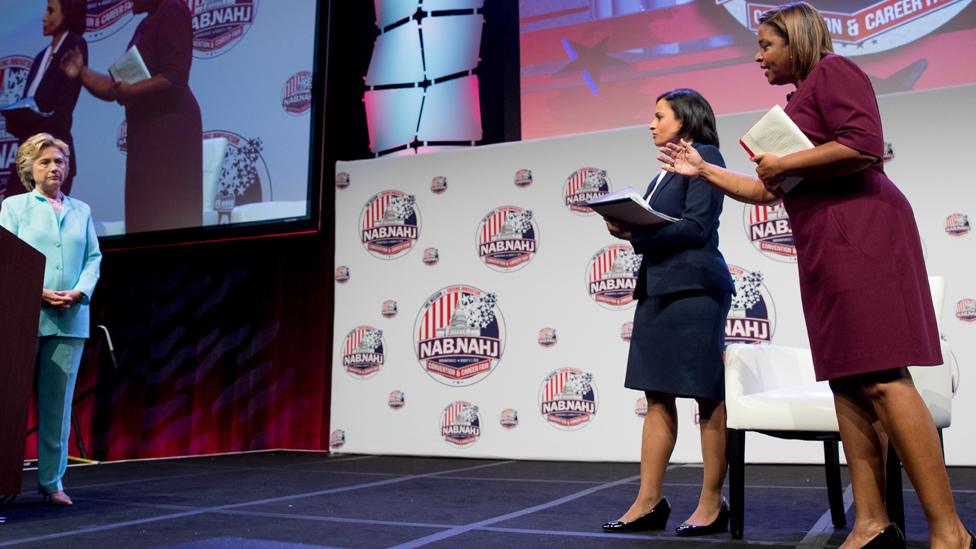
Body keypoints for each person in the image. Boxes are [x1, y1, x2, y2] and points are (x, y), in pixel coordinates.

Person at [659, 3, 974, 548]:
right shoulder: (795, 103)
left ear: (797, 39)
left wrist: (784, 164)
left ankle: (951, 533)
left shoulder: (834, 71)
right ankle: (872, 522)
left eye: (766, 45)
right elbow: (765, 191)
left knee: (883, 377)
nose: (758, 56)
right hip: (825, 246)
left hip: (863, 234)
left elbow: (863, 145)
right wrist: (704, 169)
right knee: (847, 383)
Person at [601, 88, 735, 538]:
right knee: (657, 394)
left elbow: (696, 227)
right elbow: (666, 225)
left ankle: (712, 503)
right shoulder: (663, 170)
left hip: (696, 289)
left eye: (660, 115)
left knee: (705, 396)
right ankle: (648, 500)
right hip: (659, 288)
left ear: (686, 119)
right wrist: (628, 224)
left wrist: (637, 234)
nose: (652, 123)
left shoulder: (706, 155)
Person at [0, 133, 101, 507]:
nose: (54, 167)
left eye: (59, 161)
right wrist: (36, 291)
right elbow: (6, 257)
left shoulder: (82, 210)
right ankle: (3, 479)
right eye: (45, 162)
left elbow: (94, 258)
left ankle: (52, 482)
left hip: (70, 318)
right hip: (22, 319)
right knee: (8, 402)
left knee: (57, 407)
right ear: (29, 169)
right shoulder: (14, 206)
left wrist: (79, 291)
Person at [61, 0, 201, 233]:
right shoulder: (144, 26)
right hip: (146, 133)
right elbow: (115, 87)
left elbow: (175, 75)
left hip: (170, 130)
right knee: (143, 215)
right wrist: (81, 72)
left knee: (166, 214)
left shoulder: (172, 8)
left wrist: (132, 91)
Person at [2, 0, 87, 199]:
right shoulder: (41, 57)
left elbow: (62, 113)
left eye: (50, 11)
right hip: (27, 158)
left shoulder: (75, 44)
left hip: (52, 158)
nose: (44, 17)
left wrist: (32, 121)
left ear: (66, 13)